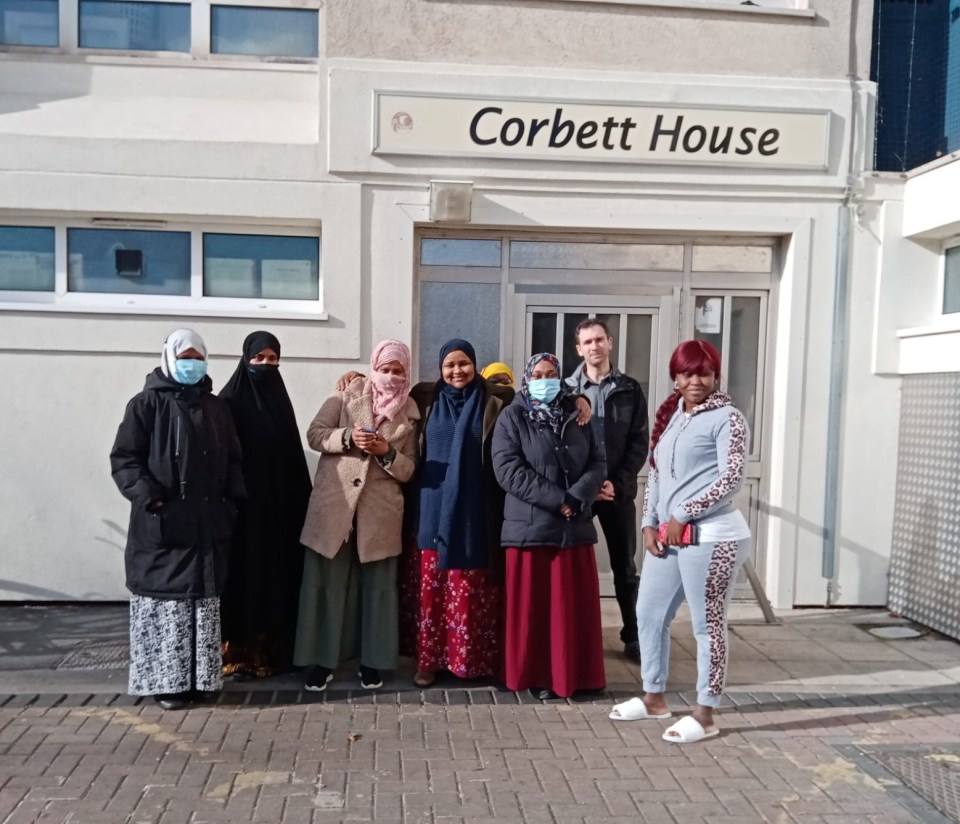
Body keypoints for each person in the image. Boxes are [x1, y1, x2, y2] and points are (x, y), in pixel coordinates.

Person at [609, 340, 751, 744]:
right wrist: (649, 522)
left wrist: (683, 513)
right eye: (687, 373)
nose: (695, 381)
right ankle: (654, 697)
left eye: (703, 373)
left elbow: (731, 478)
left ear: (714, 375)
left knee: (708, 626)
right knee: (649, 614)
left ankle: (706, 712)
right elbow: (656, 474)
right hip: (668, 536)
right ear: (675, 376)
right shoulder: (674, 415)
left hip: (713, 537)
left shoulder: (729, 418)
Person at [110, 329, 244, 710]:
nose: (191, 363)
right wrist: (149, 498)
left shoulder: (215, 407)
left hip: (207, 527)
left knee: (201, 605)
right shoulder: (146, 405)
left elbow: (234, 460)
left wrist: (231, 503)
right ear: (169, 357)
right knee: (167, 606)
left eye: (197, 356)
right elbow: (125, 459)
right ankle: (167, 684)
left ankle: (201, 679)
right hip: (164, 526)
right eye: (184, 356)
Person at [295, 340, 420, 691]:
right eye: (385, 369)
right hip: (335, 506)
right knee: (325, 586)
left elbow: (410, 469)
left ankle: (373, 663)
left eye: (398, 371)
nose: (390, 377)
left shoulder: (410, 411)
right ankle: (320, 662)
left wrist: (387, 452)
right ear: (373, 367)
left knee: (378, 589)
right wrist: (348, 436)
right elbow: (315, 434)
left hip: (379, 513)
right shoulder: (345, 395)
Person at [492, 353, 607, 700]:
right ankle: (540, 676)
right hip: (531, 531)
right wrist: (559, 499)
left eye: (551, 374)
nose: (545, 380)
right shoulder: (512, 417)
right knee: (537, 611)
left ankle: (579, 676)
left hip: (574, 529)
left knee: (573, 611)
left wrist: (577, 497)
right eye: (538, 374)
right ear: (528, 379)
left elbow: (598, 461)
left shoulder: (578, 413)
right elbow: (508, 470)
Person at [218, 331, 311, 679]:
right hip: (242, 515)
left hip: (276, 514)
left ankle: (266, 653)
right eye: (259, 359)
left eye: (273, 359)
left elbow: (291, 459)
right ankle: (236, 652)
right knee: (242, 580)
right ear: (246, 360)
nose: (267, 365)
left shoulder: (279, 401)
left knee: (272, 578)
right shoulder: (227, 402)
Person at [565, 319, 649, 664]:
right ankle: (573, 638)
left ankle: (634, 636)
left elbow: (639, 441)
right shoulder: (565, 390)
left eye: (599, 339)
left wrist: (620, 482)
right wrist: (581, 487)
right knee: (571, 568)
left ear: (610, 343)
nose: (594, 346)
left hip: (617, 492)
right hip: (580, 491)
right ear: (578, 349)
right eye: (587, 341)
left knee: (625, 570)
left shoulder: (629, 388)